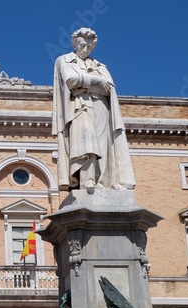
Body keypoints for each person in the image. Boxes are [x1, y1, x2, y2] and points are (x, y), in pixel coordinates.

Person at [52, 27, 135, 193]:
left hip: (101, 107)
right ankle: (87, 181)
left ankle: (102, 182)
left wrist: (86, 85)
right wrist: (95, 80)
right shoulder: (64, 60)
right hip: (79, 106)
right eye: (82, 45)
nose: (85, 49)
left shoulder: (99, 65)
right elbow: (70, 80)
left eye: (89, 47)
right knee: (86, 140)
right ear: (74, 43)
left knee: (103, 146)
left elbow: (109, 88)